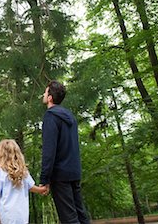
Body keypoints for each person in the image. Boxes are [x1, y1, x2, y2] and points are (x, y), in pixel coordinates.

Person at [40, 80, 90, 224]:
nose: (43, 94)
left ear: (50, 97)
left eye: (45, 92)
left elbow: (49, 151)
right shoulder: (70, 118)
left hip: (60, 175)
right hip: (74, 172)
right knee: (81, 216)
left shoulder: (51, 117)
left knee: (69, 219)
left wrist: (45, 179)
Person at [0, 139, 47, 223]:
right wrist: (43, 189)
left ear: (1, 155)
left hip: (8, 215)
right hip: (22, 215)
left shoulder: (1, 173)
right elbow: (31, 187)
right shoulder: (23, 172)